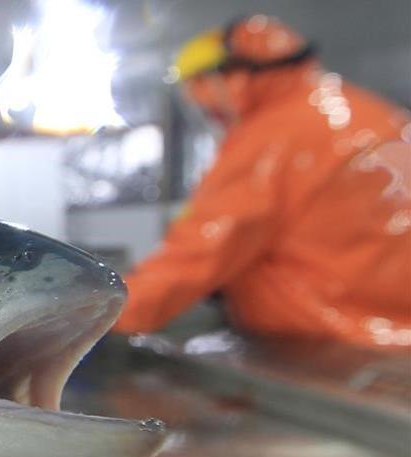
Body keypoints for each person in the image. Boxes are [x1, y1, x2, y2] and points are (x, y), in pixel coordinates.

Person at [114, 15, 411, 348]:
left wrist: (98, 316)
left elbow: (196, 256)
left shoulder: (270, 140)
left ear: (231, 80)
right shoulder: (378, 115)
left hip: (333, 342)